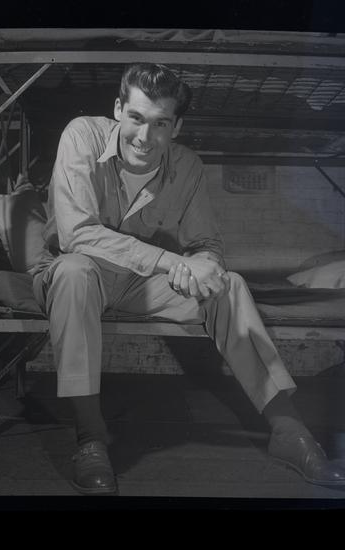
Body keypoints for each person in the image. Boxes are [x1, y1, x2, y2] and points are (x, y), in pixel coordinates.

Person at [31, 63, 345, 495]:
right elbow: (76, 235)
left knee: (230, 286)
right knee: (73, 272)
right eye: (136, 117)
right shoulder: (81, 136)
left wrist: (201, 265)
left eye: (160, 123)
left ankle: (289, 432)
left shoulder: (188, 166)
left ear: (176, 127)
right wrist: (169, 260)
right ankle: (90, 438)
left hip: (141, 284)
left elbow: (206, 245)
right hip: (78, 275)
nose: (144, 136)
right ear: (118, 109)